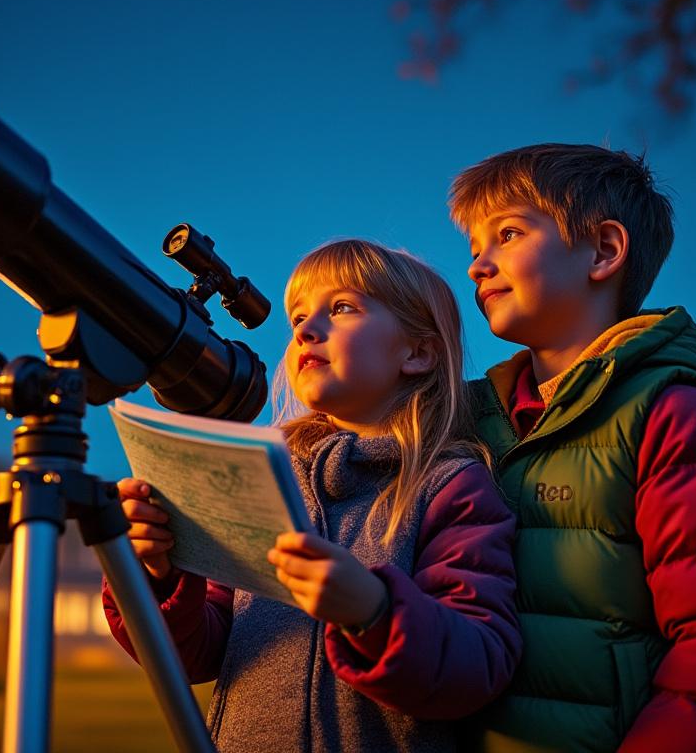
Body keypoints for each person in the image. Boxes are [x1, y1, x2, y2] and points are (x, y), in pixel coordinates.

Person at [102, 238, 522, 752]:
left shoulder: (448, 486)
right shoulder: (260, 476)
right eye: (298, 316)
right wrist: (158, 573)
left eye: (342, 308)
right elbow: (195, 653)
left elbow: (478, 663)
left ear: (417, 352)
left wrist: (373, 610)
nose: (305, 329)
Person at [450, 144, 696, 752]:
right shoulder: (466, 420)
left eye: (507, 234)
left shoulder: (676, 415)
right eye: (474, 248)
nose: (479, 265)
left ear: (605, 251)